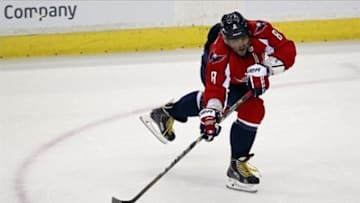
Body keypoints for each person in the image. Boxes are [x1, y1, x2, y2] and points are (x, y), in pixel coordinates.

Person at [146, 11, 296, 192]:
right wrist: (211, 114)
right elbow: (216, 89)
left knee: (254, 109)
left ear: (248, 31)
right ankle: (235, 167)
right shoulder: (218, 54)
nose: (240, 44)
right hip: (221, 74)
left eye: (242, 38)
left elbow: (287, 49)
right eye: (234, 40)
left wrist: (267, 68)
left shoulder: (261, 29)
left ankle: (166, 113)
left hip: (243, 74)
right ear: (225, 38)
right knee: (240, 105)